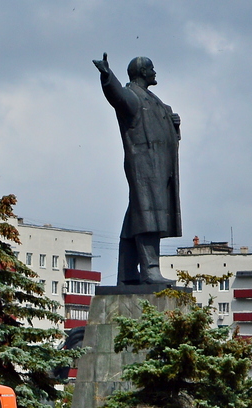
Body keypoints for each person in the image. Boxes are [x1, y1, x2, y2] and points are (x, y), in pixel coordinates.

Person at [93, 53, 182, 286]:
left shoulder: (153, 99)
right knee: (148, 216)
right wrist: (107, 76)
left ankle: (128, 273)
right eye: (151, 68)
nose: (155, 72)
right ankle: (150, 270)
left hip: (159, 169)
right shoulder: (133, 96)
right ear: (142, 72)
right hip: (145, 167)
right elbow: (117, 96)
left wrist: (173, 127)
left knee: (138, 216)